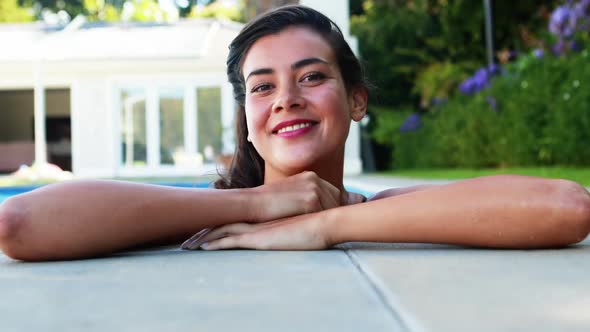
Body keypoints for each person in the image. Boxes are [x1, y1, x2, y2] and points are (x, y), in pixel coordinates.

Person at [0, 5, 589, 261]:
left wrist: (326, 224)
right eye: (262, 86)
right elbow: (18, 224)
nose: (286, 98)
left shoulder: (374, 209)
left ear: (356, 100)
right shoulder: (211, 216)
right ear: (248, 118)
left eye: (311, 76)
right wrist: (261, 205)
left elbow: (566, 206)